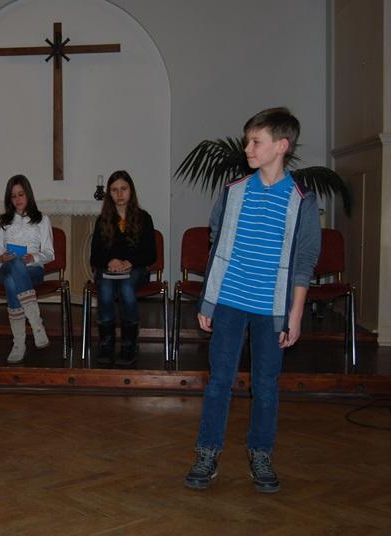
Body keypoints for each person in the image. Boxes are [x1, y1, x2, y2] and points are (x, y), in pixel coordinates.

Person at [184, 107, 321, 494]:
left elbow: (304, 261)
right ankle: (207, 452)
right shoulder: (234, 191)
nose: (247, 148)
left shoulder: (301, 200)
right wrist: (209, 301)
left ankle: (261, 454)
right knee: (219, 382)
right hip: (229, 301)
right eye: (247, 141)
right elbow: (217, 244)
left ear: (281, 145)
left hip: (271, 310)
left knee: (266, 385)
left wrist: (295, 314)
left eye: (256, 141)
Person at [89, 170, 156, 366]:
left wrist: (129, 262)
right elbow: (95, 256)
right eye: (114, 190)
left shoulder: (144, 218)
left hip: (136, 270)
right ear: (109, 193)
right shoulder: (103, 220)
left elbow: (151, 254)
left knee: (126, 286)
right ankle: (106, 343)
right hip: (108, 269)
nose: (119, 194)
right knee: (105, 287)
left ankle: (129, 344)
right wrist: (110, 261)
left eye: (123, 189)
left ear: (131, 191)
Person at [0, 174, 54, 364]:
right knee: (13, 265)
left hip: (32, 270)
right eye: (13, 196)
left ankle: (19, 343)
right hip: (6, 268)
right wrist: (1, 257)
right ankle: (37, 325)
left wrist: (33, 257)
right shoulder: (3, 221)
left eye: (21, 194)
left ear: (28, 194)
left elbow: (49, 253)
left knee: (12, 282)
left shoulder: (42, 219)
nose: (17, 199)